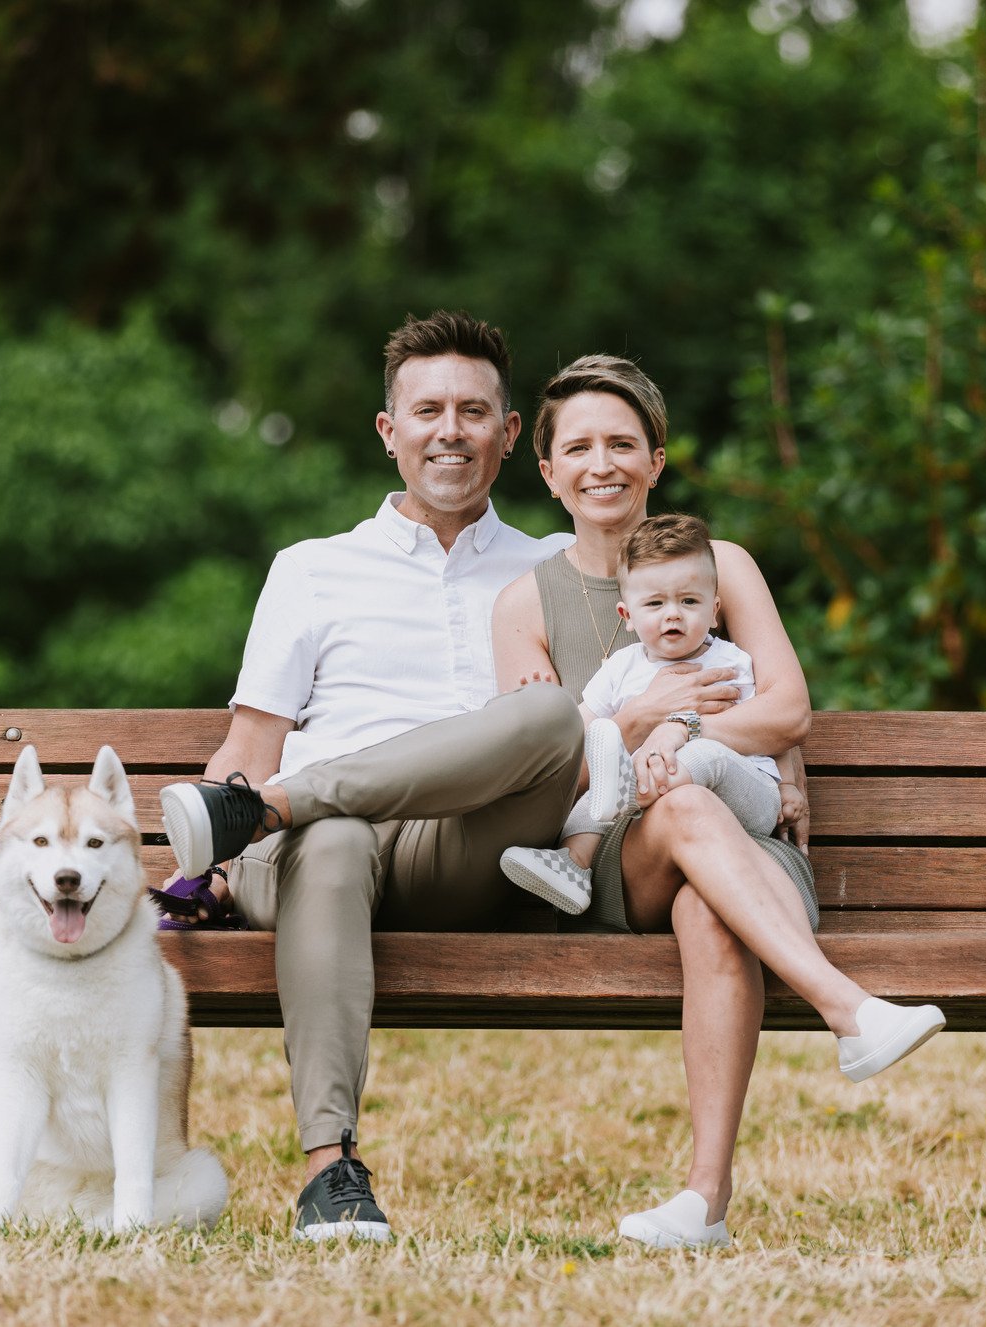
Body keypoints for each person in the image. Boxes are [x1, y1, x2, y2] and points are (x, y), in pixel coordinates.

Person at [490, 354, 944, 1250]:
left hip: (749, 841)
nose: (601, 463)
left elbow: (788, 707)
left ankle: (703, 1202)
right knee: (685, 822)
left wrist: (688, 733)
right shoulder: (521, 605)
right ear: (546, 472)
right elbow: (539, 773)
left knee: (709, 903)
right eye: (576, 447)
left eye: (622, 442)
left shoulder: (721, 562)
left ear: (655, 458)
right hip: (620, 858)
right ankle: (848, 1010)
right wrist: (636, 720)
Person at [153, 311, 583, 1243]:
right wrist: (204, 866)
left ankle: (269, 813)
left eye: (474, 412)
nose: (450, 431)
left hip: (468, 853)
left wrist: (778, 752)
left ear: (510, 436)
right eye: (426, 410)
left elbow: (684, 663)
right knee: (337, 835)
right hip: (314, 857)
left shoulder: (556, 566)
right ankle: (330, 1173)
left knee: (551, 716)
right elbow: (250, 740)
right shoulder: (312, 570)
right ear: (388, 431)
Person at [500, 512, 787, 916]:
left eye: (689, 601)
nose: (673, 614)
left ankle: (630, 788)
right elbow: (579, 735)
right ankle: (572, 864)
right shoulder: (621, 668)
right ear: (627, 616)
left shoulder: (731, 662)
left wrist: (789, 785)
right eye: (655, 603)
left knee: (700, 756)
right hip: (654, 820)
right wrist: (540, 709)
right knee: (604, 781)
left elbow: (773, 730)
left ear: (715, 610)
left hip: (742, 797)